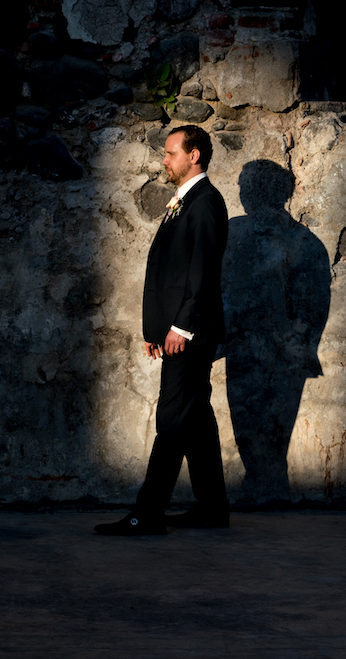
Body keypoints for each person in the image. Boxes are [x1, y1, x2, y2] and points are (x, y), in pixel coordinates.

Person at [97, 124, 230, 536]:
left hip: (189, 335)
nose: (164, 160)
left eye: (171, 153)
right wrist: (158, 328)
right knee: (196, 419)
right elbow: (170, 271)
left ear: (194, 156)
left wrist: (182, 328)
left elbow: (202, 274)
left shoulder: (205, 202)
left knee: (172, 420)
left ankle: (148, 513)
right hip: (177, 331)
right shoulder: (184, 202)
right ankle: (212, 509)